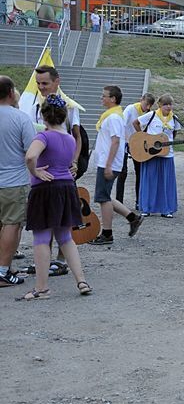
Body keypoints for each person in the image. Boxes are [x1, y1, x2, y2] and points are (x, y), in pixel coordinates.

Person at [19, 94, 92, 300]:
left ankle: (42, 289)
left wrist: (35, 171)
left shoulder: (43, 136)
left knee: (42, 238)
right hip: (66, 188)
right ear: (64, 116)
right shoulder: (69, 138)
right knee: (65, 237)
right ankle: (81, 280)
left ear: (43, 116)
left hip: (45, 189)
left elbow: (30, 156)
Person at [89, 86, 145, 245]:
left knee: (102, 197)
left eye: (104, 96)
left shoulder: (113, 118)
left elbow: (115, 141)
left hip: (109, 163)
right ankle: (133, 218)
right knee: (104, 195)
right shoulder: (112, 116)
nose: (101, 98)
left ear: (113, 99)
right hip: (107, 162)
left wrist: (108, 165)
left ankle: (107, 234)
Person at [0, 76, 34, 287]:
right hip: (14, 181)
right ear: (12, 93)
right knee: (12, 225)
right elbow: (31, 152)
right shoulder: (21, 118)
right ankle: (3, 271)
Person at [134, 94, 181, 218]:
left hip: (166, 154)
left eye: (170, 104)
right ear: (159, 105)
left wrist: (166, 144)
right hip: (150, 153)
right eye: (165, 104)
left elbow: (174, 133)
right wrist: (144, 138)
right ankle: (146, 208)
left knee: (166, 182)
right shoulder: (152, 115)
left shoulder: (174, 118)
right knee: (149, 180)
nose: (168, 106)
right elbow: (136, 122)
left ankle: (166, 209)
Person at [116, 92, 155, 208]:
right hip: (125, 141)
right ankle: (119, 202)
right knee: (122, 172)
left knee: (140, 171)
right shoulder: (130, 109)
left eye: (150, 106)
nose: (147, 107)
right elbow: (122, 124)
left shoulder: (149, 114)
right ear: (141, 100)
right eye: (146, 104)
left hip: (138, 144)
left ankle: (139, 201)